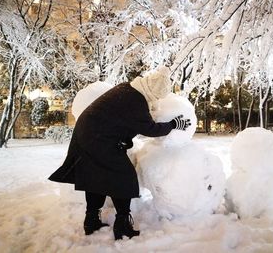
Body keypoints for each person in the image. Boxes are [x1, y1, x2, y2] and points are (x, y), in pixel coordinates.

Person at [48, 66, 191, 240]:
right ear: (152, 91)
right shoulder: (136, 100)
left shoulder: (128, 88)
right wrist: (174, 124)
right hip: (97, 138)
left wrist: (123, 138)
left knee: (96, 176)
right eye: (156, 97)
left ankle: (91, 220)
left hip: (89, 134)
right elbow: (150, 129)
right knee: (124, 177)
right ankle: (122, 224)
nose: (156, 100)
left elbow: (119, 120)